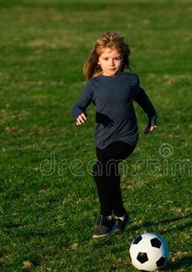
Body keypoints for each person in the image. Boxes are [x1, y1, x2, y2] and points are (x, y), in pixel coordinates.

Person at [71, 32, 158, 238]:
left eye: (116, 58)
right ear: (98, 60)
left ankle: (106, 217)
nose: (112, 63)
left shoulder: (130, 81)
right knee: (109, 175)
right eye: (107, 59)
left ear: (123, 59)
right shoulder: (94, 85)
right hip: (102, 139)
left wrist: (152, 117)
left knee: (100, 171)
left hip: (126, 137)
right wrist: (79, 114)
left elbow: (143, 99)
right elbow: (77, 106)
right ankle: (120, 213)